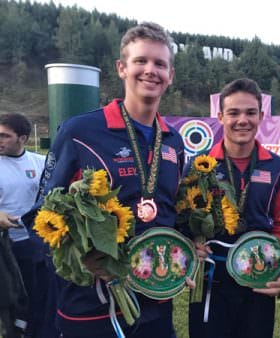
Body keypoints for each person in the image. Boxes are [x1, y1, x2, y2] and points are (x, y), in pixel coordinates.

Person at [23, 22, 184, 338]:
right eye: (141, 61)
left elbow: (168, 215)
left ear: (170, 76)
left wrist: (183, 256)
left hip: (155, 301)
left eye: (160, 64)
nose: (150, 70)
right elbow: (38, 219)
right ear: (122, 68)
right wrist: (80, 258)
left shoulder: (173, 142)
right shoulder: (79, 132)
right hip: (91, 307)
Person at [187, 78, 280, 338]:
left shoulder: (278, 169)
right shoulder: (199, 167)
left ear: (261, 115)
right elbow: (184, 219)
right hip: (211, 281)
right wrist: (191, 243)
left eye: (250, 112)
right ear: (221, 116)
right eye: (234, 113)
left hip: (258, 281)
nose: (242, 120)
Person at [0, 113, 46, 337]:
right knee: (11, 297)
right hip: (5, 247)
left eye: (5, 136)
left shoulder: (41, 163)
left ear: (23, 138)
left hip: (36, 243)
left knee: (37, 295)